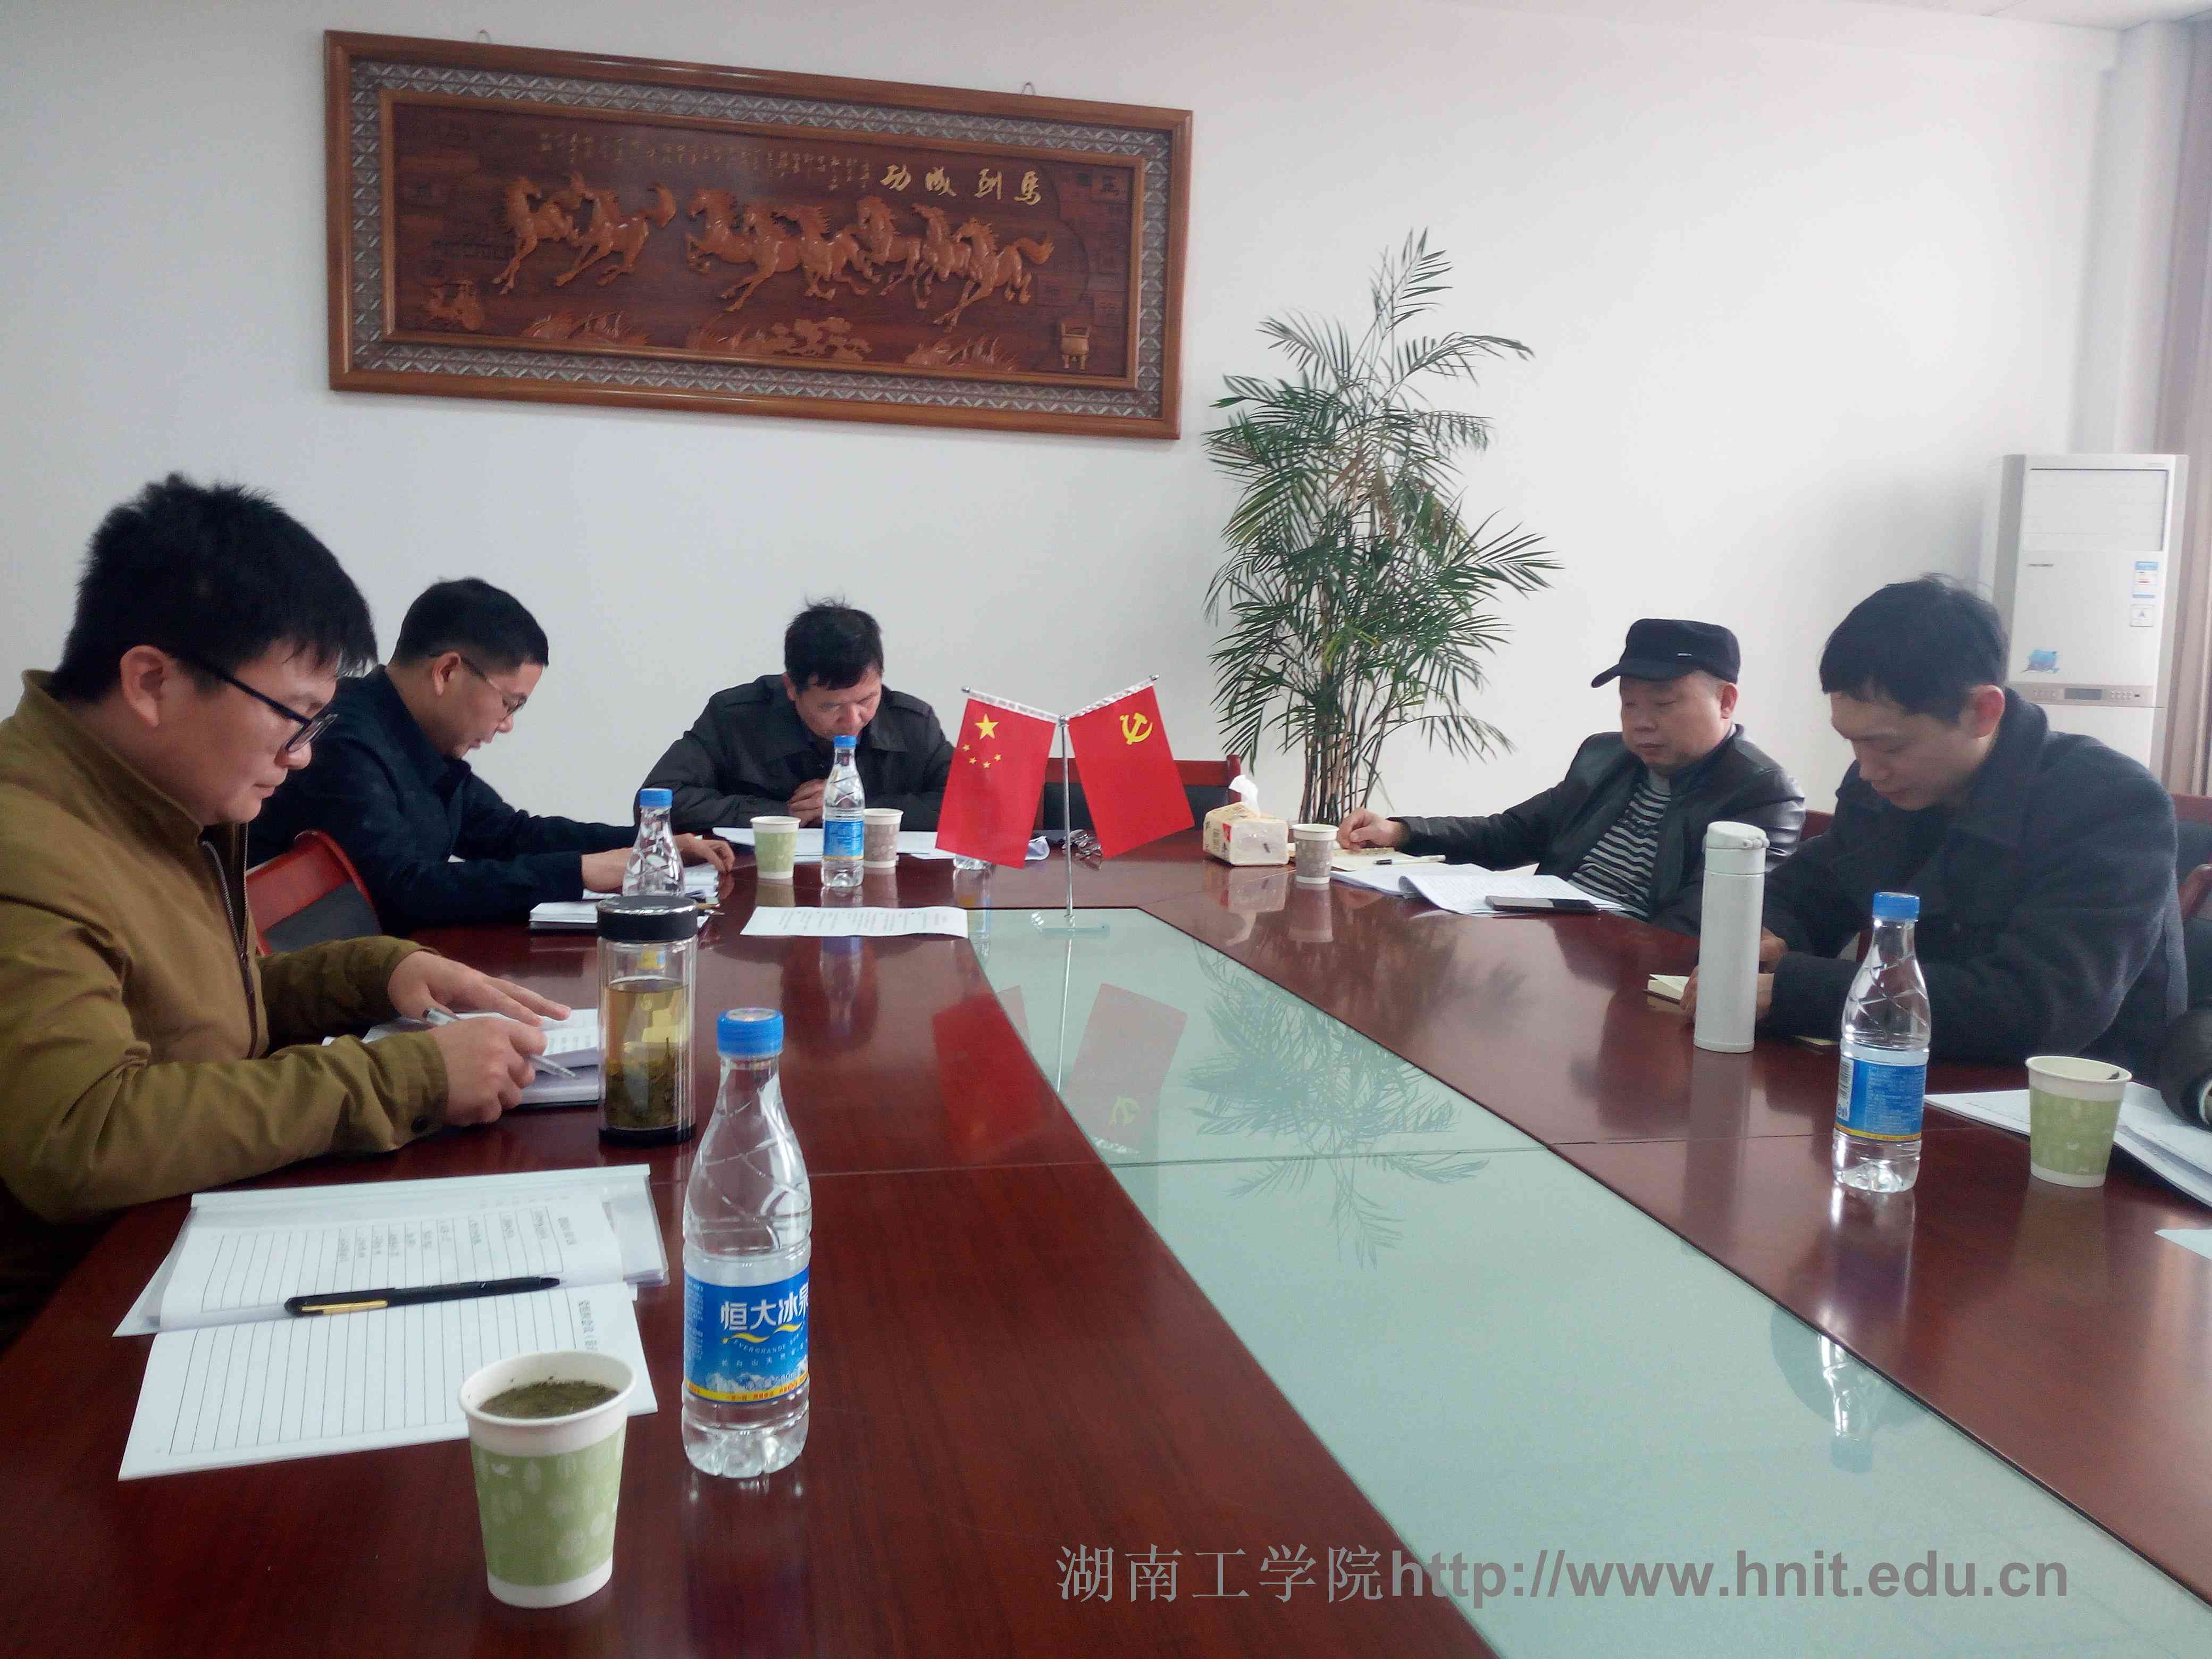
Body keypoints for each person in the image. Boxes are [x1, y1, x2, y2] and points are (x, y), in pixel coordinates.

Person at [0, 478, 563, 1352]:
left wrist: (378, 969)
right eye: (293, 719)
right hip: (71, 1330)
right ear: (151, 681)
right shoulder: (29, 845)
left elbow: (195, 1010)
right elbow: (86, 1136)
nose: (301, 759)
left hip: (177, 1242)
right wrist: (407, 1078)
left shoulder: (154, 799)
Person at [1687, 577, 2184, 1073]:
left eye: (1890, 746)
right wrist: (1763, 936)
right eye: (1852, 742)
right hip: (1916, 1066)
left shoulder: (2110, 804)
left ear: (1983, 712)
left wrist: (1795, 991)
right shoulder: (1883, 787)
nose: (1868, 770)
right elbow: (1811, 889)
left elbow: (2039, 1009)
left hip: (2068, 1094)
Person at [249, 578, 732, 934]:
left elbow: (510, 835)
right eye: (509, 703)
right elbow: (405, 891)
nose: (507, 725)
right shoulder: (344, 742)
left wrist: (653, 845)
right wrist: (580, 871)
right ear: (447, 672)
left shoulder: (415, 737)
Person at [1337, 619, 1804, 931]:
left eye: (1663, 704)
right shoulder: (1606, 756)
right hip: (1550, 946)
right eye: (1629, 703)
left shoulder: (1763, 792)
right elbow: (1510, 833)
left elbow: (1699, 923)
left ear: (1726, 702)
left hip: (1633, 973)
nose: (1641, 722)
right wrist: (1402, 832)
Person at [643, 600, 954, 833]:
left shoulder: (913, 724)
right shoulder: (736, 718)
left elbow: (968, 806)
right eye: (831, 706)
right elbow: (657, 804)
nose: (853, 720)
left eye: (866, 700)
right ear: (791, 687)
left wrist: (850, 808)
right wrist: (780, 815)